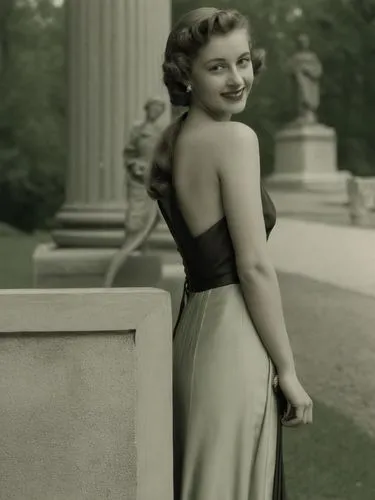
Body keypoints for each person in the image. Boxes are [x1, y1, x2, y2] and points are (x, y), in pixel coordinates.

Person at [146, 7, 313, 500]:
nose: (238, 78)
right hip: (232, 345)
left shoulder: (178, 140)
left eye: (242, 62)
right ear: (186, 76)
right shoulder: (235, 139)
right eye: (217, 67)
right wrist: (288, 371)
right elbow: (255, 267)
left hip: (194, 332)